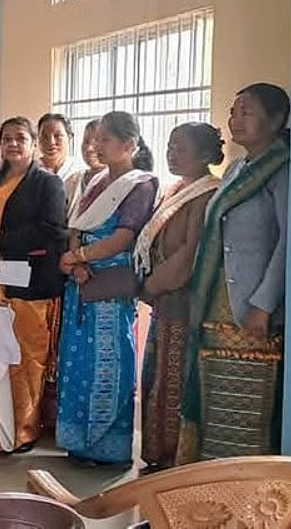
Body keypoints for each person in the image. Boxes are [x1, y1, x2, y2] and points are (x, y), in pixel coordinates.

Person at [179, 83, 290, 464]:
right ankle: (212, 484)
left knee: (250, 398)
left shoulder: (282, 170)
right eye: (233, 111)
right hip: (217, 300)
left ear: (276, 120)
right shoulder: (237, 168)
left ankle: (247, 495)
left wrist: (264, 303)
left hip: (253, 309)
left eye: (247, 111)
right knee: (217, 394)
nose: (235, 119)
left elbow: (287, 245)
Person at [58, 111, 157, 468]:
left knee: (109, 362)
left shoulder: (140, 184)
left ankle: (108, 447)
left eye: (105, 140)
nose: (96, 146)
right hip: (81, 281)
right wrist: (77, 261)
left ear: (129, 145)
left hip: (110, 288)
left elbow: (123, 237)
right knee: (77, 361)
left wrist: (79, 256)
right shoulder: (97, 180)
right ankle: (78, 441)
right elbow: (77, 224)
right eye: (96, 138)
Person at [0, 116, 67, 454]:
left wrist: (3, 245)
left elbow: (52, 229)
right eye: (6, 138)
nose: (13, 144)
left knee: (25, 358)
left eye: (20, 138)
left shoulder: (47, 183)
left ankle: (22, 430)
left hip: (29, 284)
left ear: (33, 143)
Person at [134, 123, 222, 473]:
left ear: (204, 155)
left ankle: (175, 458)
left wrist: (152, 284)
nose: (171, 153)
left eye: (180, 148)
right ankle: (157, 453)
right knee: (157, 378)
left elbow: (189, 255)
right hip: (163, 302)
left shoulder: (206, 194)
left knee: (175, 381)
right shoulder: (176, 190)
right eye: (170, 146)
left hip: (183, 301)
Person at [64, 120, 104, 215]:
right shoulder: (73, 180)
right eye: (86, 142)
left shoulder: (118, 182)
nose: (89, 148)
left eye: (96, 142)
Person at [38, 113, 85, 182]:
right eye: (45, 136)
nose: (51, 142)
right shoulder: (29, 171)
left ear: (70, 137)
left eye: (57, 135)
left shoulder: (80, 170)